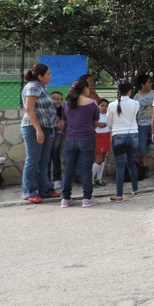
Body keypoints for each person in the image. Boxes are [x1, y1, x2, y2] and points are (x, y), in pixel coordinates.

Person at [20, 63, 60, 204]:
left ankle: (46, 190)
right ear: (40, 76)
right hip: (33, 128)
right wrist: (38, 129)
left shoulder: (42, 87)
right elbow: (29, 110)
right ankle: (29, 191)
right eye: (48, 74)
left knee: (44, 160)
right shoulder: (32, 87)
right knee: (33, 160)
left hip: (46, 127)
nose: (50, 76)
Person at [61, 77, 100, 208]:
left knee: (68, 169)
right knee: (86, 169)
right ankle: (87, 198)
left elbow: (65, 121)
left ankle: (65, 199)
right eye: (89, 87)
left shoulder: (67, 103)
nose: (90, 89)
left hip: (70, 138)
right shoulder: (92, 103)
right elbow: (95, 123)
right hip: (87, 138)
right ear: (85, 88)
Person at [106, 80, 141, 202]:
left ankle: (119, 195)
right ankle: (135, 190)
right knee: (132, 163)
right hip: (133, 135)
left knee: (120, 166)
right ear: (130, 91)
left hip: (118, 136)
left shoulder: (112, 105)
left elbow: (108, 122)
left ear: (118, 91)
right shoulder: (136, 103)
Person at [133, 74, 154, 174]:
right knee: (142, 148)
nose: (151, 84)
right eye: (148, 82)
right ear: (142, 85)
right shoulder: (137, 97)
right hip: (142, 125)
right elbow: (135, 113)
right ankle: (143, 169)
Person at [93, 99, 110, 187]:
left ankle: (99, 178)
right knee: (98, 160)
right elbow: (100, 125)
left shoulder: (107, 115)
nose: (104, 108)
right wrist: (109, 121)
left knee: (103, 159)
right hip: (98, 137)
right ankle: (90, 179)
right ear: (98, 106)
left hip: (106, 136)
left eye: (106, 106)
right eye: (102, 106)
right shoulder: (96, 115)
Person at [50, 91, 65, 190]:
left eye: (60, 99)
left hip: (59, 132)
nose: (58, 101)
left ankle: (57, 179)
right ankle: (46, 178)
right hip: (50, 132)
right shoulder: (48, 109)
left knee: (55, 152)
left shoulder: (62, 110)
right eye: (55, 99)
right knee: (47, 154)